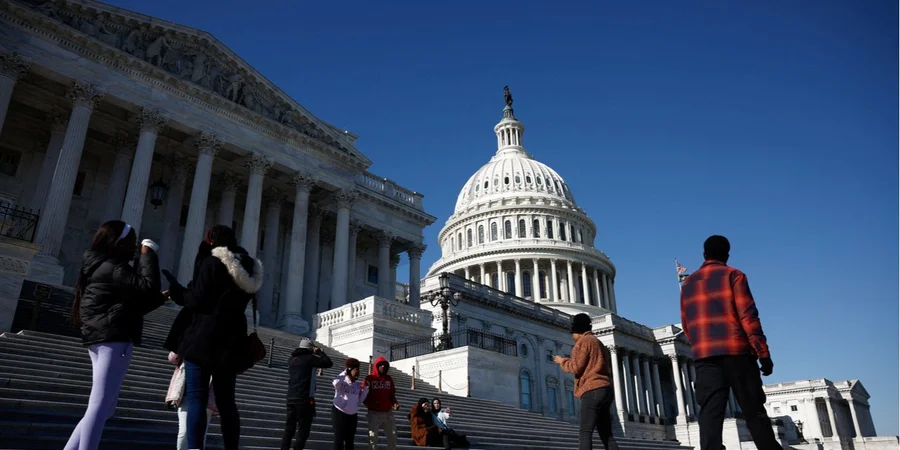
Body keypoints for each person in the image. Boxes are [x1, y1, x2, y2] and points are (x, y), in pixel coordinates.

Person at [63, 220, 163, 450]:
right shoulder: (114, 267)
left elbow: (132, 302)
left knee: (105, 407)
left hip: (101, 335)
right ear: (118, 243)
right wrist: (148, 254)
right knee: (99, 407)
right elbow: (148, 286)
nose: (134, 247)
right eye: (132, 242)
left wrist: (159, 299)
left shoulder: (100, 266)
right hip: (113, 337)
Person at [680, 235, 780, 450]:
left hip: (706, 356)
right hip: (737, 353)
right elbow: (748, 316)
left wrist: (700, 346)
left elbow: (687, 324)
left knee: (710, 414)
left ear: (704, 254)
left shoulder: (688, 282)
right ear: (727, 255)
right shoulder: (733, 275)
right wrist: (763, 353)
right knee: (753, 411)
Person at [176, 225, 264, 450]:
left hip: (203, 338)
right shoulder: (250, 269)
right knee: (227, 403)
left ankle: (195, 448)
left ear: (212, 240)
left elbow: (198, 300)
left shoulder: (212, 262)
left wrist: (179, 293)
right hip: (232, 341)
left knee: (197, 397)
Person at [553, 313, 618, 450]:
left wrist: (562, 361)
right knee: (607, 435)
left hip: (592, 389)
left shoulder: (583, 342)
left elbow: (576, 367)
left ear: (578, 331)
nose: (572, 336)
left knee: (585, 432)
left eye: (573, 333)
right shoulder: (598, 342)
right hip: (606, 389)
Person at [282, 337, 334, 450]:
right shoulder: (310, 358)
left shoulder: (291, 359)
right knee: (303, 429)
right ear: (310, 348)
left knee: (289, 429)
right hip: (304, 398)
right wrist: (320, 353)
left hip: (290, 397)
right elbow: (328, 363)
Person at [165, 351, 216, 450]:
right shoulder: (190, 339)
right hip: (186, 392)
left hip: (207, 395)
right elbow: (172, 358)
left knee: (201, 433)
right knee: (184, 431)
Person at [362, 356, 399, 450]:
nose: (383, 366)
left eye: (385, 365)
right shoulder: (369, 378)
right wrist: (369, 404)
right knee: (372, 438)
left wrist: (395, 403)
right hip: (374, 412)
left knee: (393, 435)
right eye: (381, 365)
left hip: (388, 412)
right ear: (376, 366)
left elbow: (392, 394)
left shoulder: (389, 379)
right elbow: (363, 393)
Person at [332, 358, 369, 450]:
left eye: (358, 369)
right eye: (355, 368)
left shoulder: (357, 386)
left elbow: (360, 400)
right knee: (339, 439)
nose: (358, 372)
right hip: (339, 412)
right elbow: (335, 383)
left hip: (352, 415)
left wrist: (365, 389)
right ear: (349, 369)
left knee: (350, 441)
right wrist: (345, 372)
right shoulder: (342, 382)